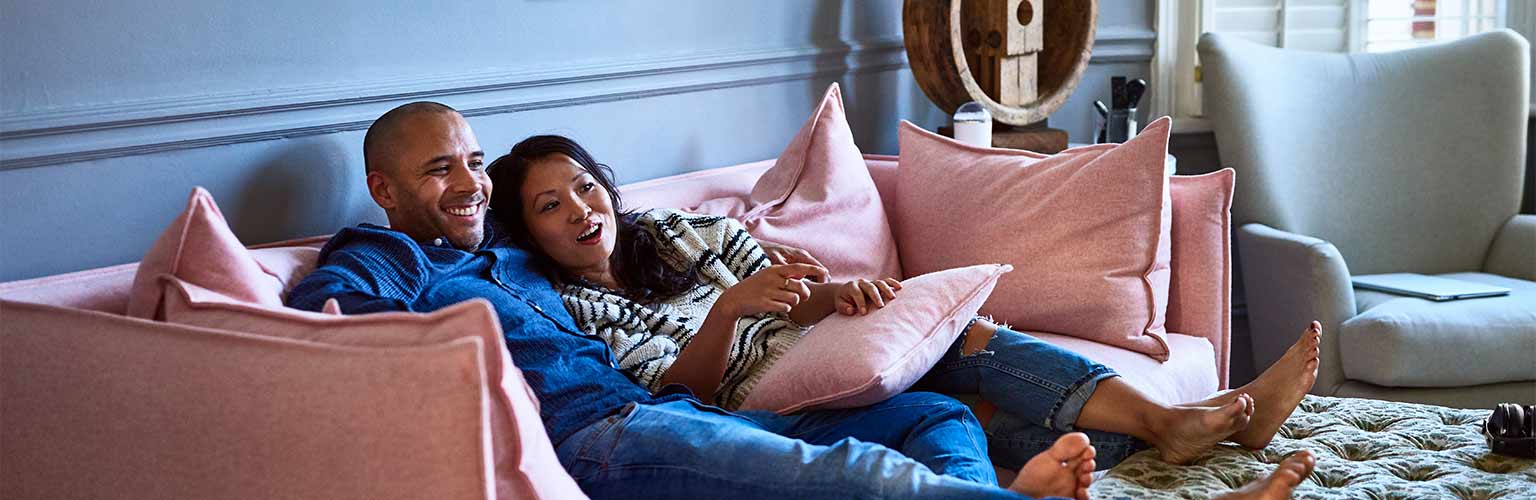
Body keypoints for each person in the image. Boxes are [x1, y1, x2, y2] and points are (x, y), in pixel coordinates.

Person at [286, 101, 1316, 500]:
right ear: (384, 188)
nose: (463, 180)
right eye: (438, 170)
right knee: (860, 470)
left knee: (937, 410)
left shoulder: (503, 263)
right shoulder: (385, 253)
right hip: (593, 433)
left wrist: (820, 297)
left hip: (651, 415)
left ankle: (1048, 479)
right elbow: (322, 325)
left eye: (471, 161)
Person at [485, 134, 1326, 470]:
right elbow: (682, 399)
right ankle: (1184, 424)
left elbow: (793, 294)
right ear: (528, 232)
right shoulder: (564, 307)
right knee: (964, 362)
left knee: (971, 376)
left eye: (585, 188)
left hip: (804, 347)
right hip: (748, 394)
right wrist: (729, 313)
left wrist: (829, 296)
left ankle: (1191, 426)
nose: (580, 212)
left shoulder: (669, 231)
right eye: (550, 206)